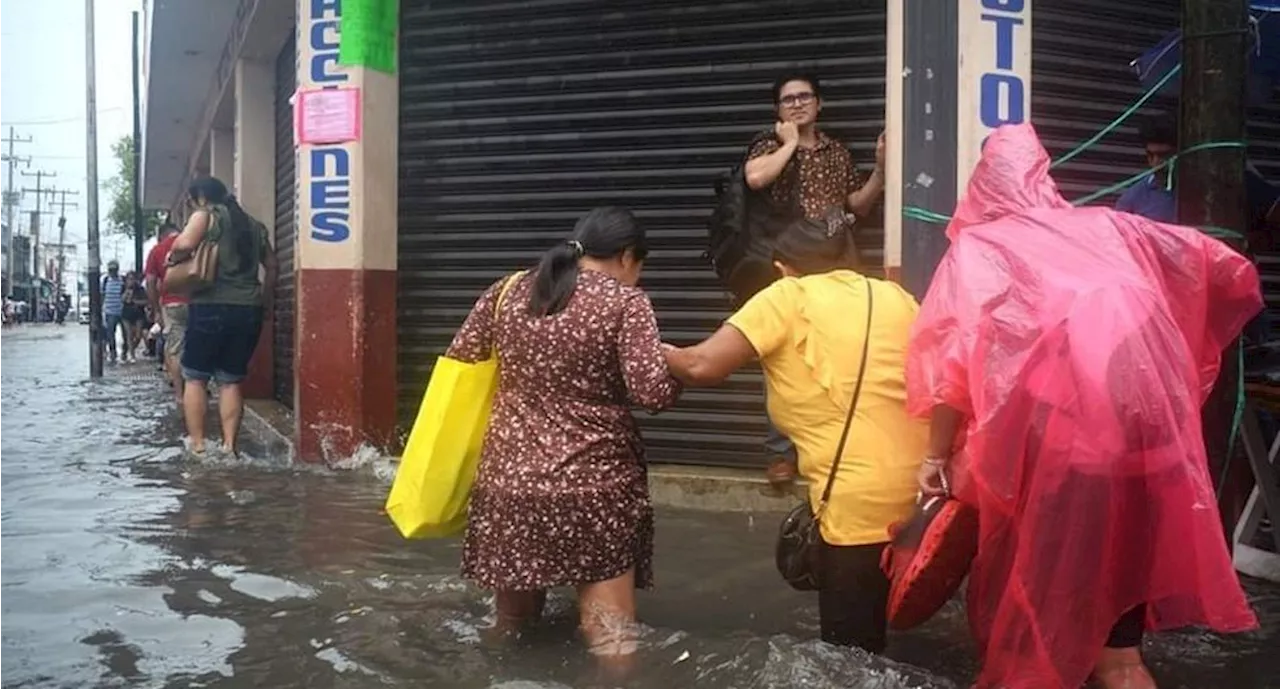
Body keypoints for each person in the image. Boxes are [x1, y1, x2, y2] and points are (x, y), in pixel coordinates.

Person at [908, 124, 1260, 689]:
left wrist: (931, 459)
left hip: (1060, 470)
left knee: (1040, 639)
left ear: (981, 186)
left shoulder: (981, 249)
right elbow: (1219, 267)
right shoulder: (1110, 229)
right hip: (1148, 454)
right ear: (1043, 177)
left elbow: (949, 372)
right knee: (1120, 656)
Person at [663, 213, 925, 653]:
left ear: (784, 266)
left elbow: (700, 365)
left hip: (856, 507)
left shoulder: (786, 297)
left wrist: (645, 347)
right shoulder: (896, 297)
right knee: (887, 632)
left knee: (850, 658)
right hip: (921, 500)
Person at [447, 207, 680, 664]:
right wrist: (676, 364)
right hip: (593, 489)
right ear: (628, 256)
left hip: (507, 483)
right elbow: (652, 393)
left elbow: (463, 359)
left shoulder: (508, 290)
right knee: (609, 631)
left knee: (511, 627)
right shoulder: (625, 302)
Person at [742, 71, 887, 479]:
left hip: (837, 259)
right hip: (786, 262)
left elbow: (857, 206)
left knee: (840, 349)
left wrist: (879, 171)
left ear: (819, 104)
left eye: (805, 97)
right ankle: (781, 452)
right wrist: (789, 144)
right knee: (782, 350)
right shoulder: (768, 146)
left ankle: (836, 443)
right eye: (788, 99)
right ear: (778, 109)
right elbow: (756, 179)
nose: (797, 104)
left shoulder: (837, 153)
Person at [172, 177, 276, 456]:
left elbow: (184, 244)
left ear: (201, 197)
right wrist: (264, 302)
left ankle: (199, 445)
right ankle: (230, 446)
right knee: (230, 381)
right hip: (248, 310)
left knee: (195, 378)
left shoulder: (206, 216)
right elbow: (272, 265)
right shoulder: (254, 226)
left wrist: (174, 258)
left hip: (210, 305)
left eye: (193, 201)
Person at [146, 222, 188, 407]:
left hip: (172, 304)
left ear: (161, 236)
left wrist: (156, 310)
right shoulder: (191, 243)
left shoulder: (157, 250)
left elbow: (150, 282)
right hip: (197, 302)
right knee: (196, 345)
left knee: (174, 350)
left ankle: (180, 395)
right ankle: (198, 389)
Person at [120, 272, 149, 363]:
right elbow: (122, 299)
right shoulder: (123, 288)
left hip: (138, 314)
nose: (130, 281)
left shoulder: (140, 289)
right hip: (126, 313)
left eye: (132, 279)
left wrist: (136, 302)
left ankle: (128, 349)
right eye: (129, 279)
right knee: (128, 335)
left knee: (138, 335)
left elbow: (146, 301)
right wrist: (127, 292)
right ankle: (131, 355)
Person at [102, 260, 126, 363]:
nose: (112, 272)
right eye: (111, 270)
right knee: (110, 333)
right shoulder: (105, 281)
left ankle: (125, 351)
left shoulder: (122, 281)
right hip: (109, 311)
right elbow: (102, 296)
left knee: (126, 333)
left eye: (114, 270)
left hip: (122, 311)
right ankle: (113, 352)